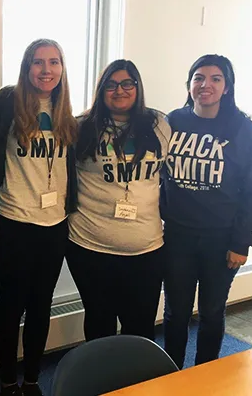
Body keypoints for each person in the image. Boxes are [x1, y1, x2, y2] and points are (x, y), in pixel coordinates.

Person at [161, 54, 252, 368]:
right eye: (198, 78)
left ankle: (205, 375)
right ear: (189, 84)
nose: (205, 85)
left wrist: (241, 241)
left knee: (211, 313)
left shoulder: (243, 129)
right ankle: (172, 374)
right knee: (175, 313)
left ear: (227, 87)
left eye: (215, 79)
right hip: (178, 237)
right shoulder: (174, 121)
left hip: (221, 241)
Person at [0, 39, 78, 396]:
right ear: (26, 68)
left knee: (41, 306)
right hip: (12, 222)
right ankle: (8, 381)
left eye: (54, 62)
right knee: (11, 305)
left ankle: (32, 380)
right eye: (38, 62)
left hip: (54, 225)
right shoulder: (6, 103)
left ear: (61, 69)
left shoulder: (65, 111)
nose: (46, 70)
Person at [67, 59, 171, 342]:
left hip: (146, 250)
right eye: (111, 85)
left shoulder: (160, 125)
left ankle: (135, 386)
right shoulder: (81, 128)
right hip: (90, 247)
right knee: (99, 326)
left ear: (138, 88)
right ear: (101, 90)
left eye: (127, 84)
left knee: (140, 330)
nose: (119, 90)